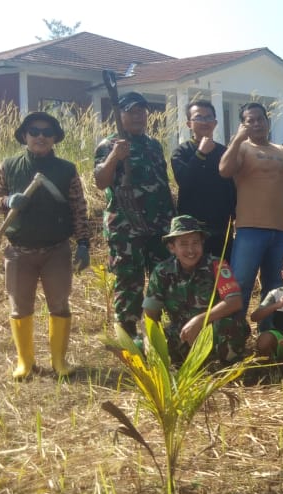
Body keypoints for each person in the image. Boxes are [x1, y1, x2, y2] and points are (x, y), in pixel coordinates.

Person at [0, 111, 91, 379]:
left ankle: (59, 362)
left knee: (60, 305)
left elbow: (79, 208)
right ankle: (25, 363)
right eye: (34, 131)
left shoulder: (66, 170)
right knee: (20, 308)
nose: (40, 137)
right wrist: (7, 201)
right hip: (18, 252)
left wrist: (83, 243)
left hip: (56, 250)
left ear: (55, 138)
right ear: (24, 136)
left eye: (47, 132)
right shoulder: (8, 165)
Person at [93, 91, 176, 339]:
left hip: (158, 226)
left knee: (162, 279)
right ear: (119, 114)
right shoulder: (109, 145)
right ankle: (128, 339)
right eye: (131, 112)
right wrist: (114, 157)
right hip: (126, 228)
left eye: (141, 111)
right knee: (129, 283)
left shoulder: (153, 145)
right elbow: (100, 181)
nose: (138, 116)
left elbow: (162, 184)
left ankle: (156, 334)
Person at [219, 102, 283, 313]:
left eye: (260, 119)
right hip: (250, 229)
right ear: (243, 125)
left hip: (281, 231)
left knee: (275, 285)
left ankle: (267, 329)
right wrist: (237, 139)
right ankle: (235, 329)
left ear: (267, 121)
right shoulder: (242, 148)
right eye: (250, 121)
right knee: (241, 283)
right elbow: (224, 170)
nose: (256, 124)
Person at [143, 216, 249, 364]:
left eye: (195, 242)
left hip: (212, 331)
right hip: (181, 333)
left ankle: (224, 365)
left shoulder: (217, 265)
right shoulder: (162, 272)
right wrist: (149, 341)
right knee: (140, 345)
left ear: (202, 243)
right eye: (183, 244)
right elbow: (150, 315)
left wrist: (199, 320)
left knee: (230, 326)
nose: (191, 250)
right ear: (172, 248)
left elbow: (235, 301)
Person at [171, 99, 236, 262]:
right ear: (189, 124)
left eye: (208, 118)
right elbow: (185, 182)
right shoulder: (181, 152)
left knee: (222, 273)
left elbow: (232, 187)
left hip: (221, 228)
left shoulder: (224, 152)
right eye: (199, 117)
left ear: (215, 123)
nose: (204, 122)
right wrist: (200, 154)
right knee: (193, 271)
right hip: (192, 230)